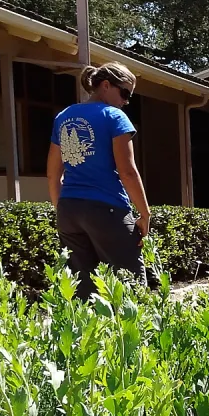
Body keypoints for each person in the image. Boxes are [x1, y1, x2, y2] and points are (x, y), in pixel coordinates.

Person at [46, 62, 160, 299]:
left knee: (83, 291)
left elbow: (53, 174)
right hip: (107, 209)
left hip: (69, 210)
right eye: (125, 93)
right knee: (130, 288)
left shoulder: (64, 117)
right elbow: (127, 172)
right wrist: (144, 214)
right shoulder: (114, 117)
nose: (126, 101)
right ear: (106, 85)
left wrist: (61, 208)